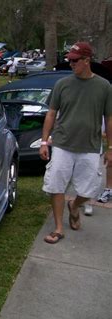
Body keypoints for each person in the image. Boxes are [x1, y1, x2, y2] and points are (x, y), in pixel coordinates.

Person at [39, 41, 112, 244]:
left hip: (90, 146)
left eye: (74, 60)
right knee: (56, 185)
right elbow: (51, 114)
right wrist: (44, 142)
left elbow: (109, 119)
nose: (70, 63)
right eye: (69, 60)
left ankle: (74, 206)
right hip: (62, 144)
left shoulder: (104, 86)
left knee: (90, 190)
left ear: (87, 61)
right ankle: (59, 228)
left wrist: (110, 148)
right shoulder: (63, 84)